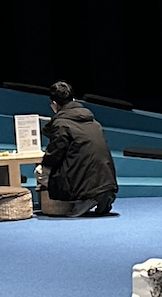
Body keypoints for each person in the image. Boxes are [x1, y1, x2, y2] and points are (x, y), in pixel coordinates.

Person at [38, 82, 118, 217]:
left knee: (40, 171)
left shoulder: (61, 123)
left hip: (81, 181)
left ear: (54, 104)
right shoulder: (93, 121)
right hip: (106, 179)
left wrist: (44, 162)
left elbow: (55, 154)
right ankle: (101, 193)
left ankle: (83, 199)